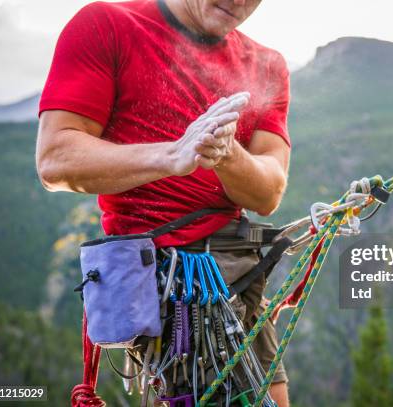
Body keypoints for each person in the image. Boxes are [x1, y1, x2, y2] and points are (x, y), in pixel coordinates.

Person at [35, 0, 291, 405]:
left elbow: (268, 193)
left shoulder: (266, 65)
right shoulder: (108, 25)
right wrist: (172, 156)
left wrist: (227, 155)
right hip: (167, 285)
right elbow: (56, 159)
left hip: (238, 280)